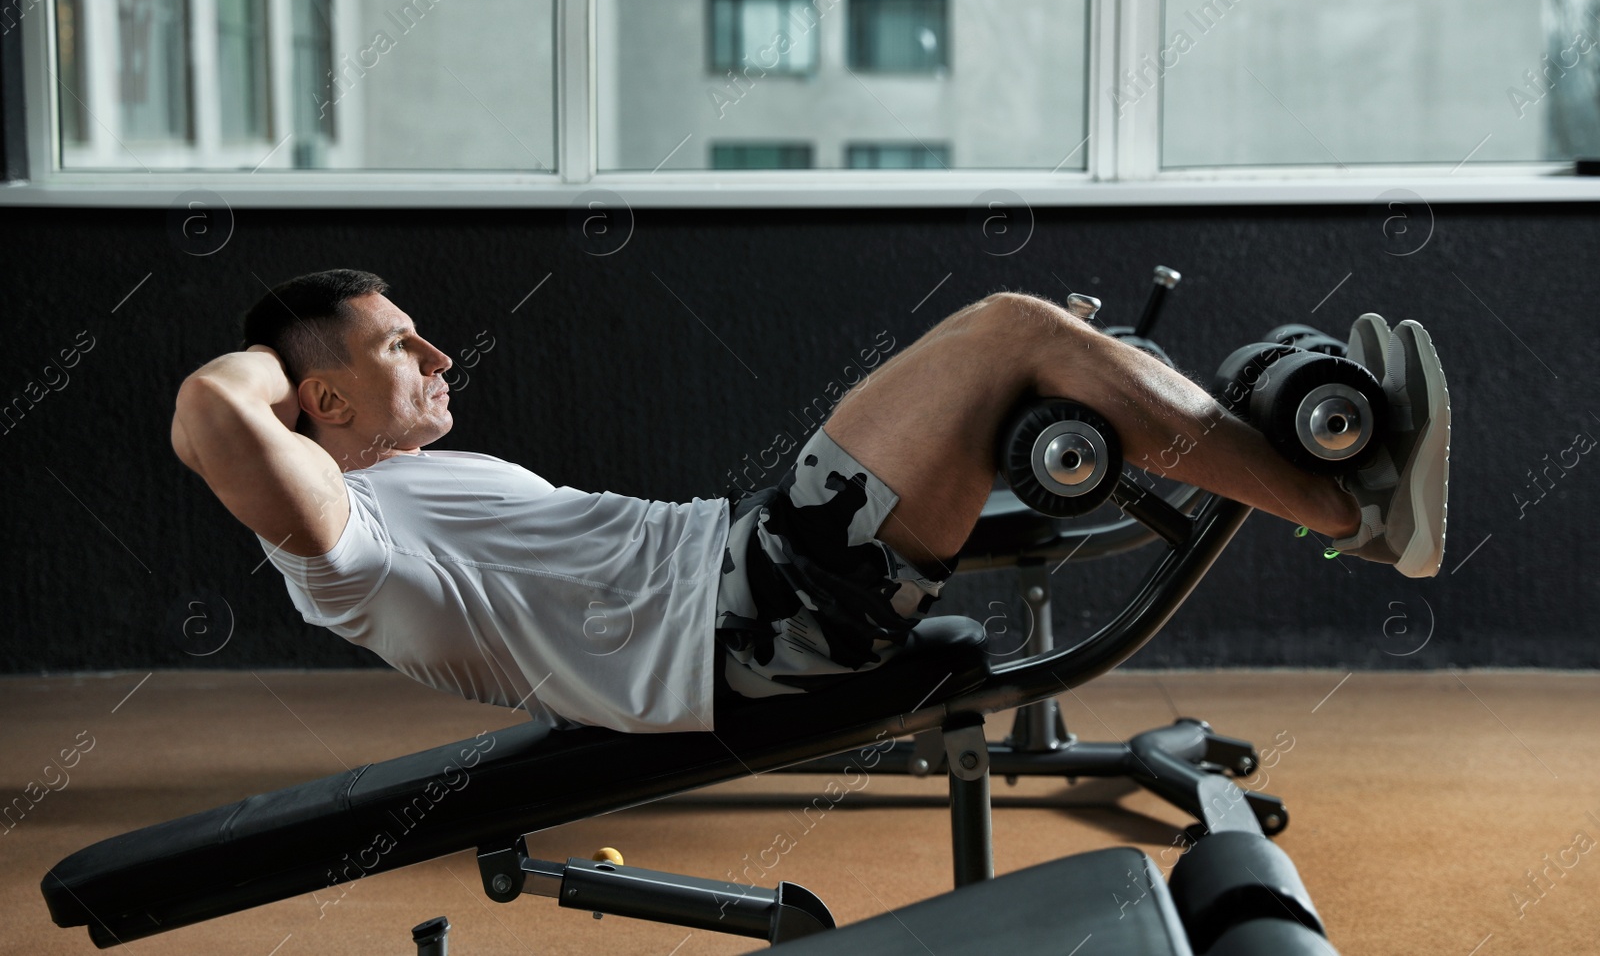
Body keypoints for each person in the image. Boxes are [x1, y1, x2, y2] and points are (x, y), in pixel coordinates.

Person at [170, 269, 1449, 735]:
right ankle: (1348, 509)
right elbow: (209, 417)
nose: (440, 358)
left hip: (753, 569)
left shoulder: (405, 481)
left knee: (1041, 336)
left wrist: (334, 376)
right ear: (320, 404)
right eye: (399, 346)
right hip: (753, 618)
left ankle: (1315, 452)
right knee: (1009, 330)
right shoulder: (343, 546)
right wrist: (284, 368)